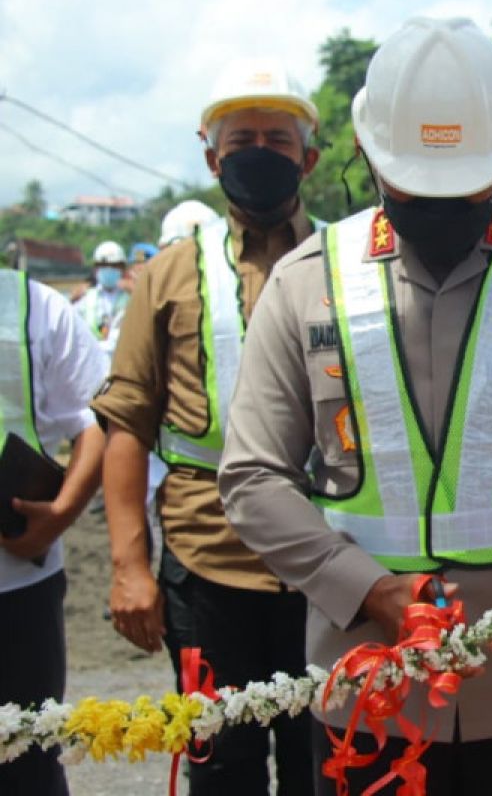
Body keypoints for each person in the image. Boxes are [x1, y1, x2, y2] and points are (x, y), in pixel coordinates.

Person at [216, 18, 492, 796]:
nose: (439, 210)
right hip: (372, 689)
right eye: (412, 191)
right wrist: (365, 587)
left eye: (465, 190)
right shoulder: (303, 285)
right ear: (366, 157)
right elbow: (253, 477)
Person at [91, 56, 322, 795]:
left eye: (277, 141)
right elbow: (126, 423)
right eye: (242, 138)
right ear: (211, 158)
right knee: (222, 768)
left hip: (332, 565)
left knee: (327, 762)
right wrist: (130, 566)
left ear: (308, 159)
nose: (259, 154)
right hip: (208, 560)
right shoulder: (167, 276)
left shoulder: (348, 267)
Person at [0, 266, 108, 794]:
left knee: (27, 758)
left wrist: (63, 511)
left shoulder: (37, 309)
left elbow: (95, 418)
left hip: (17, 586)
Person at [75, 240, 131, 360]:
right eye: (104, 265)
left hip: (119, 364)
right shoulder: (85, 299)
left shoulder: (130, 300)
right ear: (96, 268)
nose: (109, 269)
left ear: (122, 268)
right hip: (91, 363)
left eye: (114, 265)